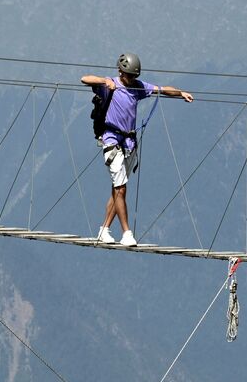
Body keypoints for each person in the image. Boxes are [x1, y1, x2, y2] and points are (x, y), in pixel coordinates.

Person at [81, 53, 193, 246]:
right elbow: (85, 79)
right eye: (129, 76)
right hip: (112, 141)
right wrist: (104, 81)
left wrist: (181, 93)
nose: (132, 79)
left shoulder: (137, 87)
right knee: (121, 189)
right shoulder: (110, 85)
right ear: (120, 71)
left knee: (117, 189)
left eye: (134, 76)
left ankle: (104, 230)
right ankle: (127, 233)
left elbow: (162, 90)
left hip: (128, 144)